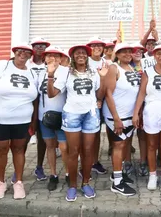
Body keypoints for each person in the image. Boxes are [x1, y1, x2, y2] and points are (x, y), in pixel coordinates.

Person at [47, 44, 106, 202]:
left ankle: (85, 182)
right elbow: (52, 94)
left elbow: (100, 94)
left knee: (88, 151)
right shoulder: (66, 73)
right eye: (77, 53)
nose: (81, 55)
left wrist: (104, 77)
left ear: (87, 56)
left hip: (91, 114)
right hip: (72, 114)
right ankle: (73, 185)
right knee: (73, 151)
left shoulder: (94, 72)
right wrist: (50, 75)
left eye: (83, 53)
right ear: (72, 56)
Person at [0, 44, 38, 200]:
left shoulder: (32, 73)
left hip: (23, 119)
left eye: (27, 52)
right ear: (14, 52)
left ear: (30, 56)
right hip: (0, 118)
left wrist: (33, 121)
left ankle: (18, 182)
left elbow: (36, 99)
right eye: (20, 51)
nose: (23, 54)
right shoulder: (2, 65)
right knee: (1, 149)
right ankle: (0, 182)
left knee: (19, 149)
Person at [133, 45, 161, 191]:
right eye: (159, 53)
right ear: (154, 55)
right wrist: (136, 112)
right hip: (152, 110)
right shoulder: (148, 72)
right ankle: (152, 175)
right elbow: (141, 93)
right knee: (151, 145)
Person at [102, 43, 139, 196]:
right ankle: (117, 183)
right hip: (117, 116)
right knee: (118, 146)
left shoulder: (132, 68)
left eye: (129, 51)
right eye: (123, 51)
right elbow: (108, 93)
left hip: (129, 115)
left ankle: (117, 173)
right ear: (116, 54)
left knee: (124, 146)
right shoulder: (114, 68)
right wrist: (116, 118)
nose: (127, 54)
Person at [37, 46, 69, 191]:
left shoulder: (66, 72)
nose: (52, 58)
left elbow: (53, 94)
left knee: (64, 147)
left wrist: (51, 75)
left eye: (56, 55)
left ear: (61, 58)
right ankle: (53, 175)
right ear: (44, 58)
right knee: (50, 146)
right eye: (49, 55)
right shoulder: (39, 73)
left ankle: (69, 173)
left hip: (62, 115)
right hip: (43, 116)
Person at [27, 37, 51, 182]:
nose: (40, 48)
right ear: (32, 48)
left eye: (43, 46)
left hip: (42, 107)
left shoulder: (48, 65)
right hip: (26, 105)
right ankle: (18, 170)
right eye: (37, 46)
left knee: (42, 140)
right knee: (22, 139)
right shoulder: (26, 64)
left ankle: (39, 167)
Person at [86, 37, 108, 175]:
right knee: (87, 135)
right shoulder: (85, 61)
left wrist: (100, 98)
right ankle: (85, 162)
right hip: (87, 102)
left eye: (99, 45)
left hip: (102, 101)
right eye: (93, 45)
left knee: (97, 133)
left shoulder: (106, 62)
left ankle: (94, 161)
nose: (97, 47)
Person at [126, 43, 148, 176]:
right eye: (135, 51)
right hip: (127, 105)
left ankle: (143, 161)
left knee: (143, 135)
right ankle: (127, 161)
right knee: (127, 135)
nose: (138, 53)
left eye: (140, 51)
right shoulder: (123, 66)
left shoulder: (148, 65)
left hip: (145, 104)